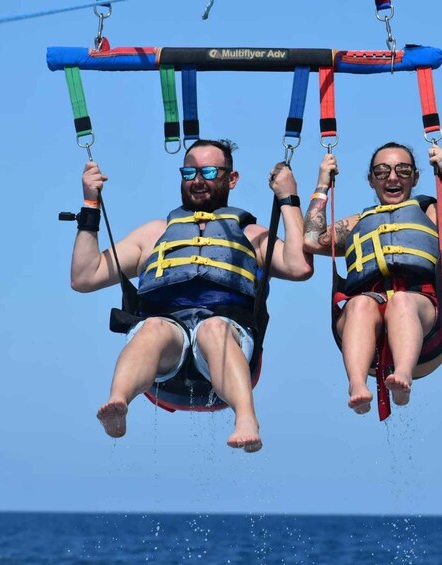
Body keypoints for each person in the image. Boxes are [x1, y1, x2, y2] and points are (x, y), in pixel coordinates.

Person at [70, 139, 313, 452]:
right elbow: (84, 276)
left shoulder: (251, 235)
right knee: (153, 327)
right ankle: (118, 401)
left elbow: (300, 266)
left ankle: (246, 418)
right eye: (189, 172)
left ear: (232, 179)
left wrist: (288, 198)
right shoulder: (154, 233)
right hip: (165, 359)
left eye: (209, 171)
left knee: (213, 329)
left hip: (227, 344)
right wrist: (90, 204)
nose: (197, 180)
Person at [302, 142, 442, 414]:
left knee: (401, 302)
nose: (392, 177)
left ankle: (402, 377)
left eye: (403, 170)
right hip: (367, 328)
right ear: (371, 180)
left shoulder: (434, 215)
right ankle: (357, 385)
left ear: (415, 177)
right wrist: (323, 183)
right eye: (382, 172)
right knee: (358, 304)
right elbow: (311, 240)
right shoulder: (358, 224)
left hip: (427, 330)